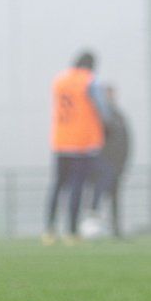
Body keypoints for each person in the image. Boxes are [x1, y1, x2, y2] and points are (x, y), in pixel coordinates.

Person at [44, 51, 109, 244]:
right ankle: (71, 231)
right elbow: (102, 108)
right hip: (82, 142)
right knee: (77, 187)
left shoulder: (59, 80)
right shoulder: (89, 80)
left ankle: (49, 229)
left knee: (57, 186)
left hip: (60, 141)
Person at [88, 85, 133, 237]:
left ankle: (116, 229)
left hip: (116, 165)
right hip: (100, 165)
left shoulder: (119, 117)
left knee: (115, 198)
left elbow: (127, 142)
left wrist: (123, 163)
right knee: (95, 198)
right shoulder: (95, 116)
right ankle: (92, 229)